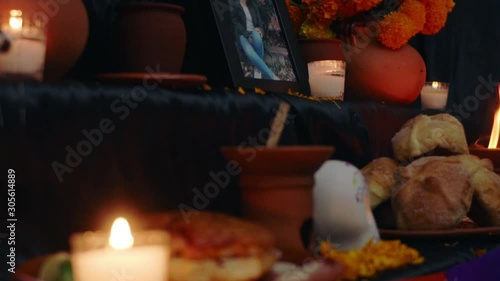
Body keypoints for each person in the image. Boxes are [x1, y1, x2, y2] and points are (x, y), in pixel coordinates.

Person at [231, 0, 278, 80]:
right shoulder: (235, 6)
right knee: (250, 53)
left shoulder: (252, 5)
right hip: (243, 34)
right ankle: (273, 77)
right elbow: (236, 23)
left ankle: (258, 68)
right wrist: (246, 35)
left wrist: (260, 31)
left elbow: (259, 23)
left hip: (254, 31)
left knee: (258, 38)